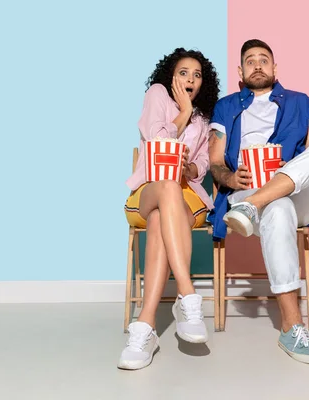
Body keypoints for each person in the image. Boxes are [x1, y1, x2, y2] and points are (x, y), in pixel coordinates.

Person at [208, 39, 309, 365]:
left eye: (264, 59)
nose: (257, 65)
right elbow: (215, 162)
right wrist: (230, 179)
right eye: (250, 61)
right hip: (246, 192)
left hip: (297, 193)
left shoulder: (302, 102)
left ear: (275, 68)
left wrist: (288, 173)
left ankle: (257, 201)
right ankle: (291, 326)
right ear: (240, 71)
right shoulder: (226, 107)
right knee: (278, 206)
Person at [118, 48, 220, 370]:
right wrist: (184, 113)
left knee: (165, 210)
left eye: (197, 75)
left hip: (186, 198)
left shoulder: (205, 120)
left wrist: (191, 169)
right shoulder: (157, 95)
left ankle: (145, 327)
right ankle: (187, 295)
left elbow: (203, 163)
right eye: (184, 73)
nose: (190, 79)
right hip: (149, 188)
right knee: (165, 188)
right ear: (171, 76)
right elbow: (155, 137)